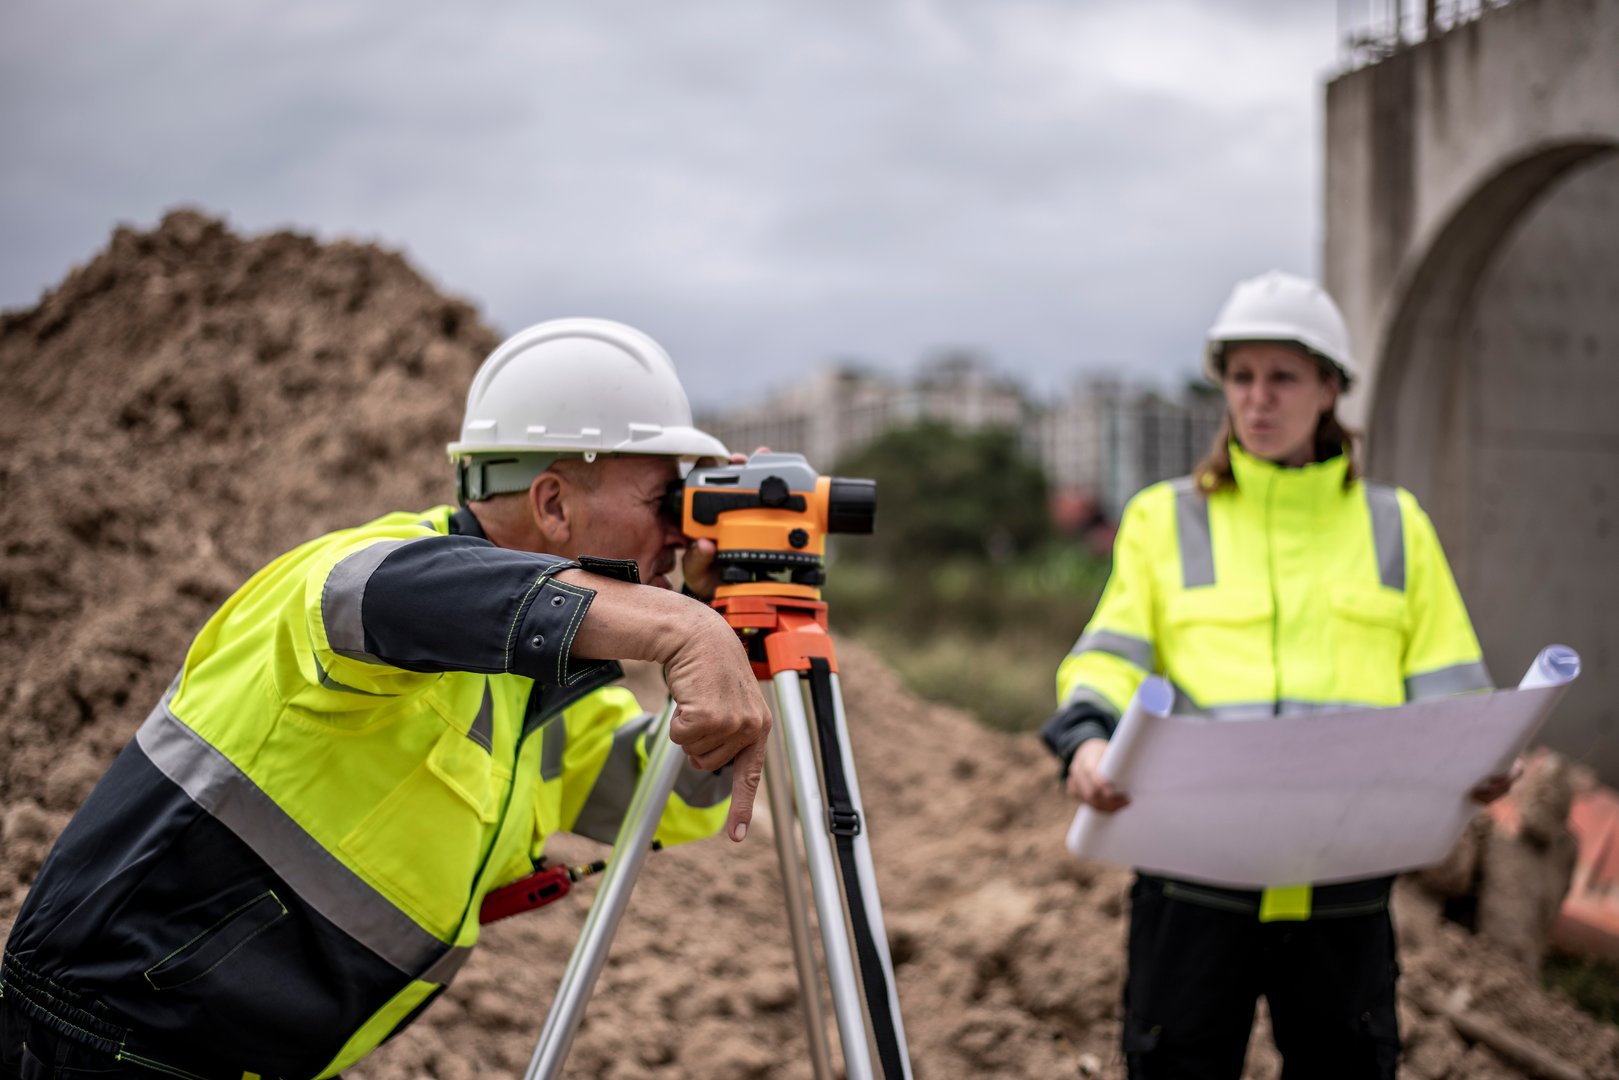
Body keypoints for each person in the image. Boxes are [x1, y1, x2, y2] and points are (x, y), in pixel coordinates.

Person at [1, 318, 773, 1079]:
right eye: (664, 502)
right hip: (106, 1041)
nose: (680, 535)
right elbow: (395, 592)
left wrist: (736, 624)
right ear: (553, 503)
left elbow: (663, 794)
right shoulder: (370, 572)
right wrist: (675, 623)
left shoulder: (539, 696)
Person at [1041, 271, 1514, 1079]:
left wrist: (1482, 756)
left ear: (1329, 388)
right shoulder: (1163, 518)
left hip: (1344, 888)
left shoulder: (1395, 527)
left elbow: (1451, 695)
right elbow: (1109, 659)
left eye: (1282, 377)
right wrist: (1087, 740)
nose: (1256, 399)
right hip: (1192, 883)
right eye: (1240, 377)